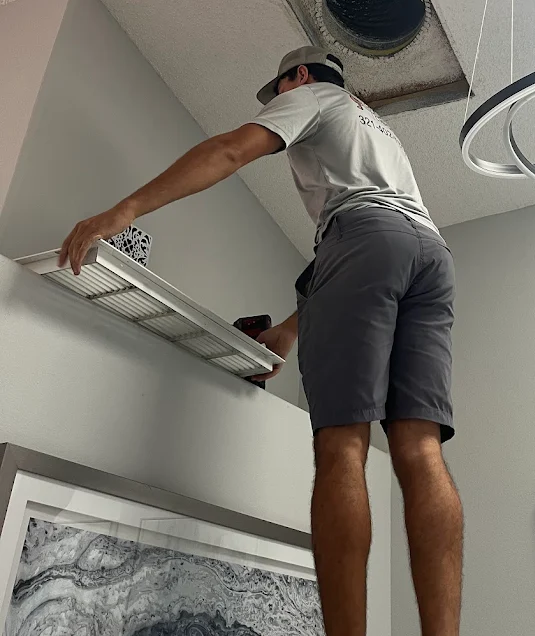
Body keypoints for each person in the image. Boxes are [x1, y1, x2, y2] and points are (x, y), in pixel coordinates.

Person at [59, 45, 463, 636]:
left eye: (279, 92)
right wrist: (292, 330)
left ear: (297, 77)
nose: (279, 102)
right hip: (432, 255)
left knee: (342, 446)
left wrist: (121, 213)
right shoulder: (379, 132)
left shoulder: (314, 96)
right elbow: (384, 245)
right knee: (421, 450)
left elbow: (230, 151)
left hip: (366, 237)